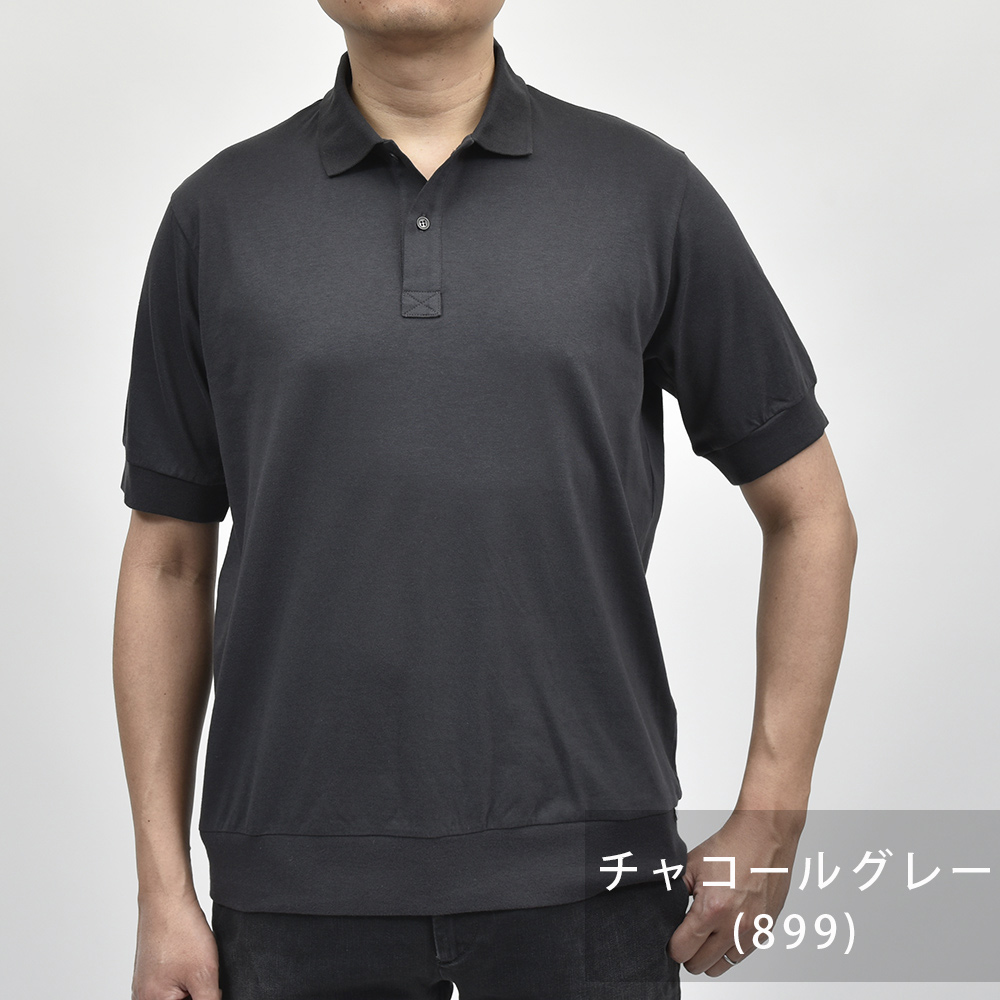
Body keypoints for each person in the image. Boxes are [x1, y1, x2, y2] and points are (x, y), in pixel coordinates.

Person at [113, 2, 857, 998]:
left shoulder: (646, 193)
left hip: (591, 878)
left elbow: (810, 512)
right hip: (295, 890)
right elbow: (167, 556)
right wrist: (161, 890)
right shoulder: (217, 216)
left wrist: (774, 810)